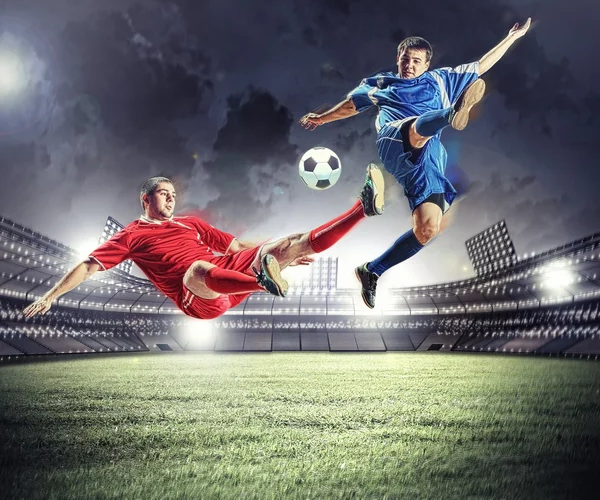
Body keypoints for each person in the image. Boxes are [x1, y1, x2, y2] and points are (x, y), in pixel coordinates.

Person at [300, 19, 531, 309]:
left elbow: (482, 65)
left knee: (427, 229)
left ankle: (372, 270)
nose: (409, 65)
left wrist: (512, 37)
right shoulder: (380, 83)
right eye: (405, 59)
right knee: (416, 129)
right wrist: (321, 118)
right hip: (395, 139)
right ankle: (451, 114)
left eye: (416, 61)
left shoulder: (441, 79)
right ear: (398, 59)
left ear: (426, 64)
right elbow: (349, 105)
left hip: (430, 159)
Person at [23, 165, 385, 320]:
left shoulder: (191, 223)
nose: (170, 199)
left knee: (290, 241)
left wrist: (277, 252)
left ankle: (360, 209)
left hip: (228, 274)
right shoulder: (132, 234)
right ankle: (264, 281)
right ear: (145, 199)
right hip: (196, 294)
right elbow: (89, 266)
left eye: (173, 194)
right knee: (197, 268)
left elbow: (237, 248)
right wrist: (51, 295)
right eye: (163, 194)